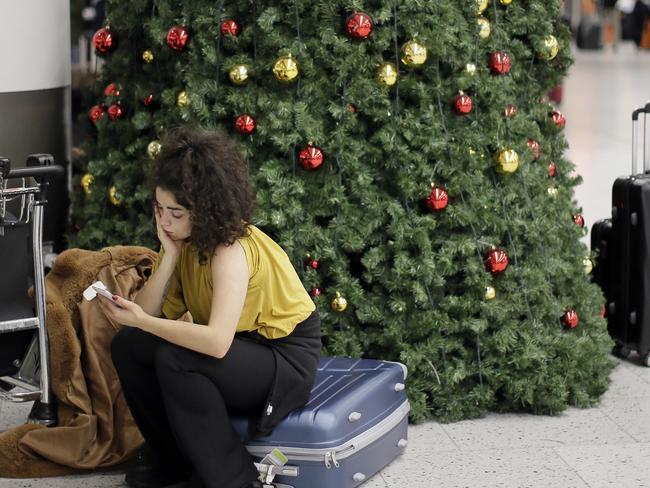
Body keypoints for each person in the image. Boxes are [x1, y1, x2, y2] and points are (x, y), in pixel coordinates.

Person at [96, 127, 321, 488]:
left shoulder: (229, 250)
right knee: (130, 346)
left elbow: (217, 343)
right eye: (159, 209)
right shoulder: (184, 243)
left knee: (177, 358)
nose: (165, 221)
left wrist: (143, 321)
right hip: (239, 347)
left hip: (281, 357)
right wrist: (167, 257)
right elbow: (143, 319)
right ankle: (173, 460)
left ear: (204, 211)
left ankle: (231, 479)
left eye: (175, 212)